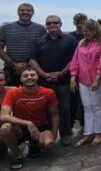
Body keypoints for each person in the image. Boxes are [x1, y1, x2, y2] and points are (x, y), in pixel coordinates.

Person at [29, 15, 77, 146]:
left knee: (65, 109)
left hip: (64, 81)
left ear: (61, 24)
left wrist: (61, 73)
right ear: (45, 25)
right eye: (49, 23)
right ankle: (49, 133)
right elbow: (32, 59)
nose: (52, 25)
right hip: (44, 82)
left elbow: (73, 60)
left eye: (55, 22)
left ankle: (66, 134)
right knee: (46, 109)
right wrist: (43, 74)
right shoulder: (38, 41)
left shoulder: (70, 40)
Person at [0, 66, 59, 170]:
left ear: (37, 77)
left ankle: (34, 144)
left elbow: (55, 114)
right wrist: (28, 123)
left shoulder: (48, 92)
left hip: (41, 126)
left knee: (48, 144)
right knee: (5, 128)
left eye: (32, 75)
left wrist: (54, 133)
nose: (29, 77)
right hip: (20, 128)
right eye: (25, 76)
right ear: (20, 79)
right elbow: (3, 116)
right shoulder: (13, 93)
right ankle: (18, 155)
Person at [69, 19, 101, 147]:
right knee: (87, 107)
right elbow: (75, 60)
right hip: (83, 79)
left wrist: (97, 78)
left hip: (97, 78)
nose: (86, 33)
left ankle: (98, 133)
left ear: (95, 30)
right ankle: (88, 133)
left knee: (96, 106)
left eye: (88, 31)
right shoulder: (81, 42)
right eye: (84, 31)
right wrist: (73, 76)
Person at [0, 3, 46, 86]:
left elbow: (43, 50)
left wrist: (30, 65)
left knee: (32, 93)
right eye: (22, 10)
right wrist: (13, 65)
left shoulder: (41, 29)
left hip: (33, 69)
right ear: (18, 12)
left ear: (33, 13)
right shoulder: (5, 28)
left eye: (28, 10)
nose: (25, 12)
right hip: (11, 69)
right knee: (10, 93)